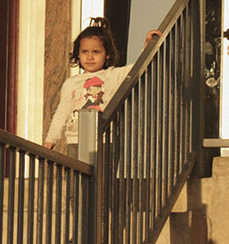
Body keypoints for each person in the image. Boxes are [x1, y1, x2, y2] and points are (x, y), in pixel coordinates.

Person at [44, 17, 160, 156]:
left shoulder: (112, 76)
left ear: (107, 54)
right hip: (76, 142)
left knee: (101, 178)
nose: (90, 57)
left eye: (96, 52)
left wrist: (147, 46)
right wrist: (50, 140)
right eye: (85, 52)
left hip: (105, 142)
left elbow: (139, 68)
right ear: (78, 54)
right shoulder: (71, 83)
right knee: (77, 178)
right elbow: (61, 114)